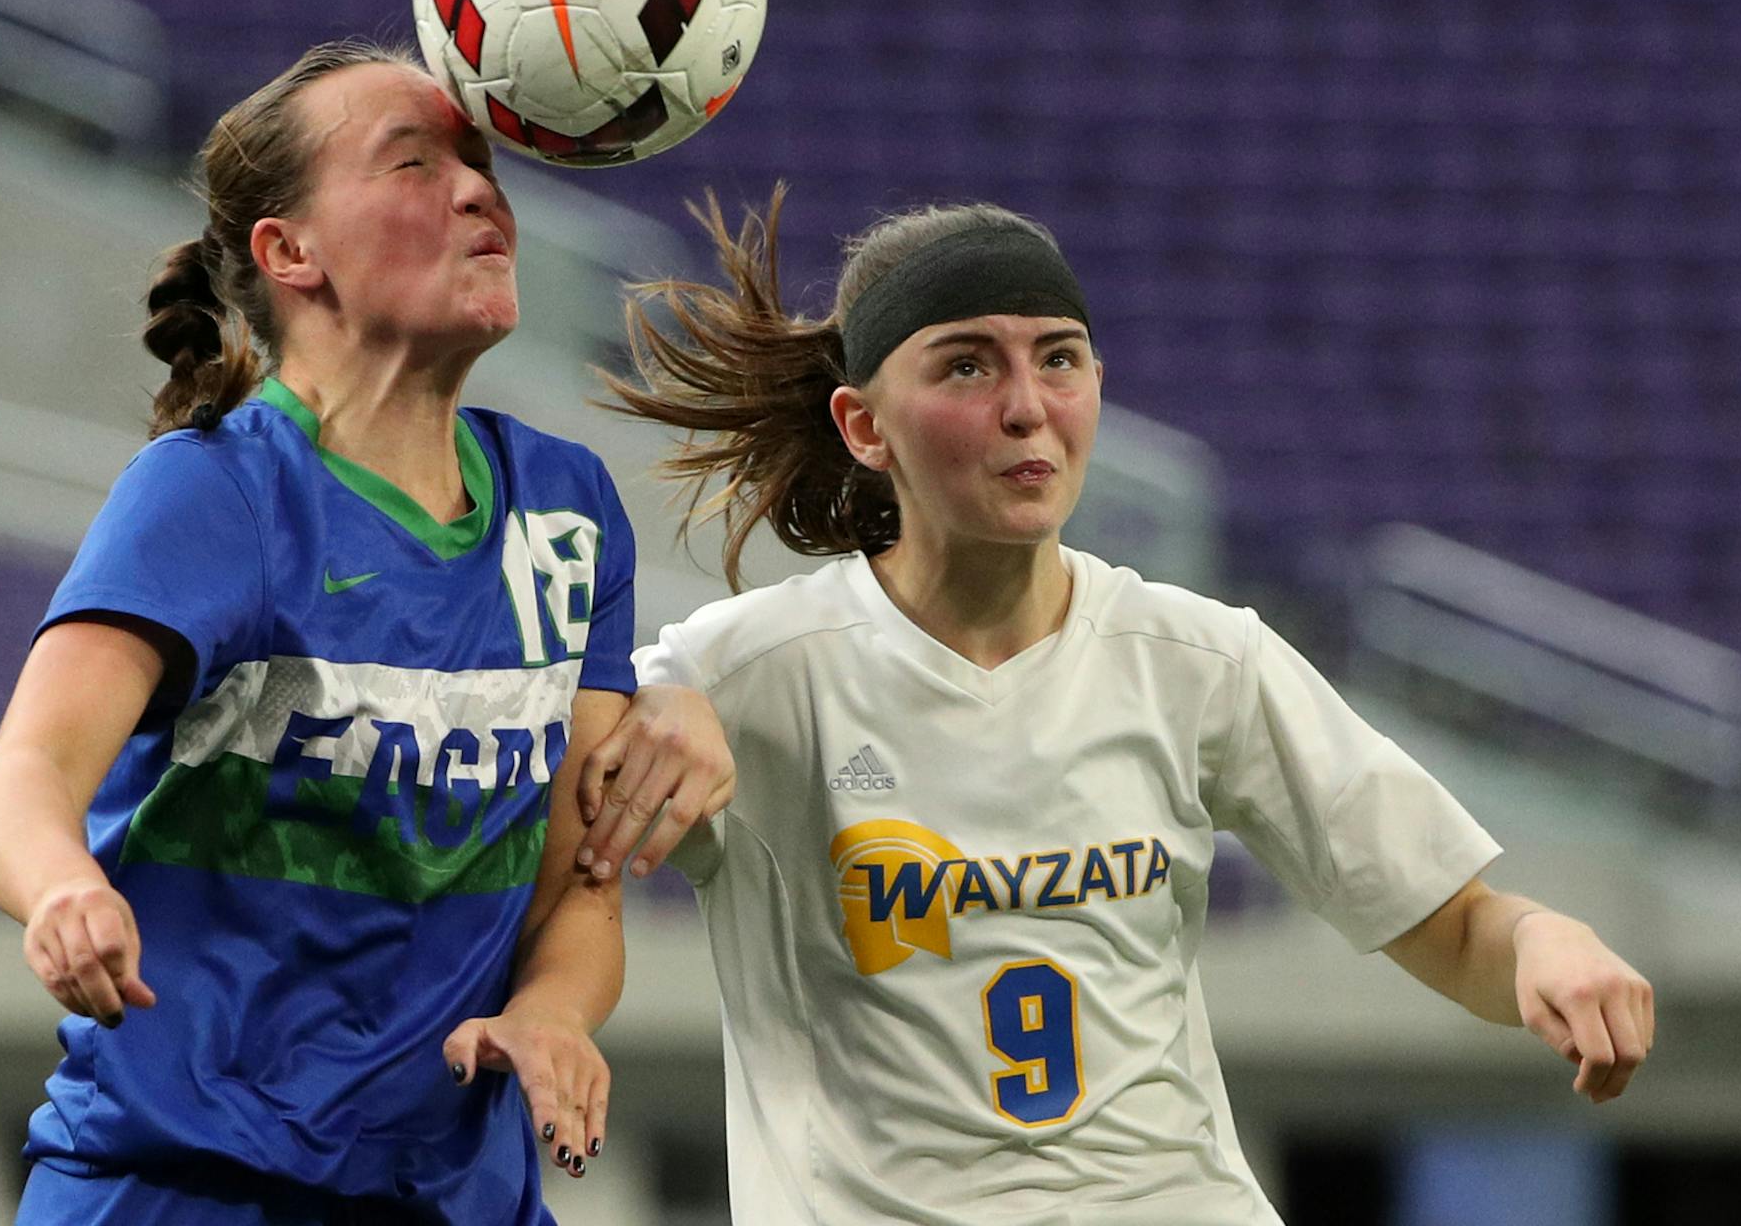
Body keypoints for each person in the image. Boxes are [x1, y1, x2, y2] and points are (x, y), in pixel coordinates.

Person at [588, 188, 1657, 1225]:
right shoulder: (746, 675)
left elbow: (1456, 926)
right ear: (864, 426)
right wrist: (643, 701)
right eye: (967, 364)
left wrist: (1541, 944)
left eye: (1058, 359)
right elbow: (531, 822)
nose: (1027, 406)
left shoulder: (1200, 658)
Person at [0, 40, 692, 1224]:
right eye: (413, 165)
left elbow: (581, 888)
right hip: (184, 1191)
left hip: (460, 1195)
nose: (478, 191)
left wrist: (551, 1014)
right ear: (288, 251)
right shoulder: (213, 494)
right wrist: (58, 892)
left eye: (478, 163)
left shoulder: (569, 510)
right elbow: (25, 781)